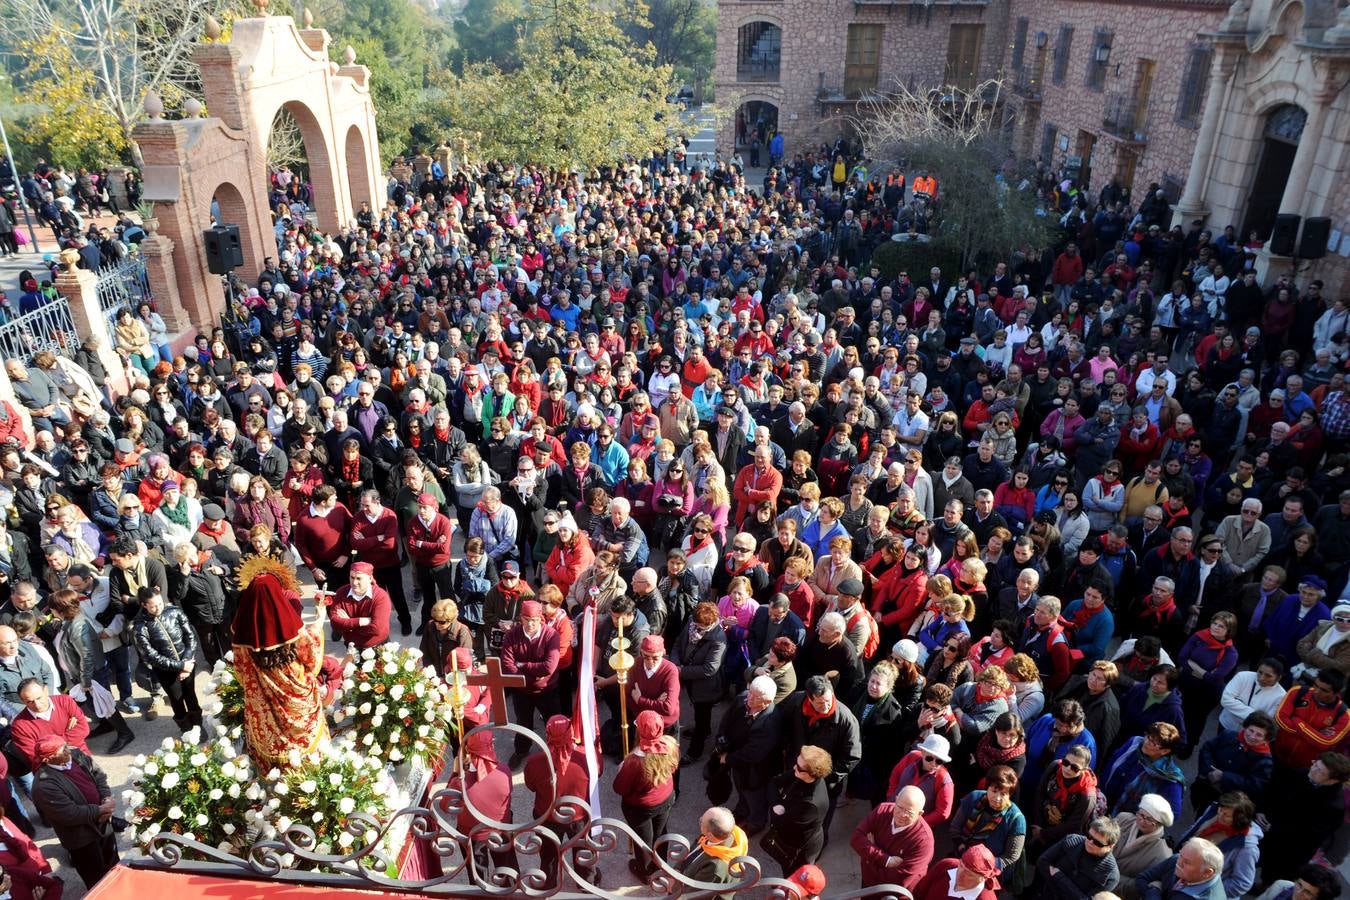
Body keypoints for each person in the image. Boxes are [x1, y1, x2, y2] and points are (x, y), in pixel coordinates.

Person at [230, 557, 327, 768]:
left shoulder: (243, 637)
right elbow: (311, 656)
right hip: (297, 702)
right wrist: (319, 621)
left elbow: (240, 672)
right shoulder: (291, 627)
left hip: (263, 705)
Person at [781, 675, 861, 843]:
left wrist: (827, 780)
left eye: (828, 700)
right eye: (819, 703)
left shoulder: (846, 720)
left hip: (824, 782)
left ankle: (818, 843)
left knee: (820, 818)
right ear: (809, 699)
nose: (825, 706)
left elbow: (852, 756)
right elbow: (784, 728)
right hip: (798, 770)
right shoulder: (796, 703)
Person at [30, 736, 118, 889]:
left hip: (103, 822)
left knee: (114, 863)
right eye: (62, 749)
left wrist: (106, 797)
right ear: (49, 758)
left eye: (65, 745)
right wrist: (100, 810)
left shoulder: (76, 754)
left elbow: (98, 775)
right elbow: (71, 814)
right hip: (81, 838)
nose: (68, 749)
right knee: (95, 877)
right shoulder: (43, 786)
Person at [522, 715, 594, 887]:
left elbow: (531, 786)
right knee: (583, 849)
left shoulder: (535, 762)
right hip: (578, 815)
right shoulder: (587, 756)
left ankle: (549, 883)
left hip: (547, 815)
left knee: (548, 853)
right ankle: (586, 881)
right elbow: (596, 775)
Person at [1259, 752, 1350, 885]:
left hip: (1290, 850)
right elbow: (1275, 791)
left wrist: (1276, 827)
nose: (1313, 770)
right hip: (1270, 834)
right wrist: (1262, 810)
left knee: (1274, 878)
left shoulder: (1333, 806)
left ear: (1333, 781)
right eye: (1315, 765)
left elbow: (1308, 835)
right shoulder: (1303, 773)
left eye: (1320, 771)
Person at [613, 709, 680, 879]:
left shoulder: (634, 761)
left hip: (640, 807)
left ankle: (644, 872)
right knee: (660, 833)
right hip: (666, 798)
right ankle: (661, 866)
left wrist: (622, 769)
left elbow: (620, 788)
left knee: (643, 841)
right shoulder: (671, 744)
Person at [130, 585, 202, 732]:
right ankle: (186, 729)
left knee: (191, 696)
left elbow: (190, 637)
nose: (158, 608)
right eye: (153, 606)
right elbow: (151, 656)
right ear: (144, 605)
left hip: (188, 662)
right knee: (177, 700)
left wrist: (187, 662)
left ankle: (198, 725)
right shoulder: (140, 627)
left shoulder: (175, 612)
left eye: (160, 603)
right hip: (166, 671)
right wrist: (180, 666)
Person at [501, 599, 561, 768]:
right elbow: (507, 664)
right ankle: (521, 750)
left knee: (553, 721)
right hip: (522, 690)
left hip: (547, 689)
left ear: (540, 618)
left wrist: (523, 665)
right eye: (526, 620)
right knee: (523, 721)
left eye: (534, 620)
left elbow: (549, 667)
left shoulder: (551, 635)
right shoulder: (512, 635)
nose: (530, 624)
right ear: (521, 618)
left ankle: (556, 752)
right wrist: (529, 678)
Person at [1176, 791, 1262, 899]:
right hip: (1183, 875)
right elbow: (1193, 829)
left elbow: (1242, 884)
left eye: (1226, 815)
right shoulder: (1213, 812)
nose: (1220, 815)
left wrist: (1207, 889)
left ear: (1239, 819)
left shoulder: (1247, 848)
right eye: (1221, 810)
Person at [851, 783, 935, 890]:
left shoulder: (924, 841)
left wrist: (869, 857)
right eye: (899, 807)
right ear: (895, 800)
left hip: (895, 894)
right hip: (868, 885)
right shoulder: (882, 810)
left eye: (909, 812)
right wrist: (886, 860)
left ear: (920, 814)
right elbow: (856, 838)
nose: (902, 815)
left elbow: (899, 881)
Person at [763, 744, 832, 874]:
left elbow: (780, 822)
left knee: (793, 874)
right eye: (796, 762)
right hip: (792, 833)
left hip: (800, 848)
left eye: (799, 767)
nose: (795, 767)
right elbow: (774, 782)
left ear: (811, 774)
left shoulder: (811, 804)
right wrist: (777, 804)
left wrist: (776, 810)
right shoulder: (801, 773)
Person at [673, 601, 727, 762]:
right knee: (699, 712)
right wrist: (676, 663)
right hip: (689, 679)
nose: (696, 628)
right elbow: (678, 644)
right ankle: (705, 730)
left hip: (705, 687)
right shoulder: (692, 622)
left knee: (702, 714)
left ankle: (694, 752)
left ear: (710, 623)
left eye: (700, 626)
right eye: (695, 623)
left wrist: (680, 670)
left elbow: (710, 669)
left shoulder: (718, 638)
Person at [1192, 711, 1274, 812]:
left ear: (1266, 740)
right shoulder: (1228, 735)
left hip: (1226, 800)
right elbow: (1207, 749)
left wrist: (1224, 776)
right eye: (1251, 730)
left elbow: (1254, 785)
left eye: (1259, 735)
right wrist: (1208, 770)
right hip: (1204, 786)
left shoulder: (1265, 761)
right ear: (1245, 727)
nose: (1252, 736)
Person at [950, 764, 1026, 871]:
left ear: (1010, 795)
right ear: (987, 787)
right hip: (960, 856)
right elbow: (955, 828)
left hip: (990, 870)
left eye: (1003, 794)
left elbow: (1011, 856)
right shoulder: (973, 798)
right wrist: (961, 847)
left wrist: (983, 865)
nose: (997, 798)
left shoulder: (1016, 819)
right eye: (994, 791)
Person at [1103, 722, 1186, 819]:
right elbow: (1112, 763)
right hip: (1103, 802)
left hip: (1124, 822)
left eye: (1154, 743)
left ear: (1165, 751)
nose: (1147, 742)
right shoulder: (1134, 743)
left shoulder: (1169, 778)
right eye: (1148, 736)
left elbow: (1173, 814)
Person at [1035, 817, 1122, 900]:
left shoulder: (1111, 875)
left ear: (1110, 846)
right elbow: (1042, 861)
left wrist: (1058, 877)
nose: (1090, 842)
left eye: (1097, 842)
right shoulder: (1071, 840)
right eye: (1089, 836)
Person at [1112, 795, 1177, 900]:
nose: (1142, 821)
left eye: (1149, 819)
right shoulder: (1123, 819)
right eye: (1141, 815)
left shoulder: (1162, 854)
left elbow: (1141, 886)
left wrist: (1107, 875)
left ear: (1159, 824)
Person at [680, 806, 748, 900]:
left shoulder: (715, 867)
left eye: (701, 821)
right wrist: (678, 867)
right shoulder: (725, 832)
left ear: (710, 835)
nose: (700, 820)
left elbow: (695, 894)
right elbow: (694, 849)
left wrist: (673, 886)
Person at [1136, 838, 1227, 900]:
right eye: (1181, 855)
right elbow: (1142, 878)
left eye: (1187, 862)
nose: (1178, 862)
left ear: (1207, 872)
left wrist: (1154, 890)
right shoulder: (1176, 859)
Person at [329, 561, 391, 649]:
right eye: (352, 577)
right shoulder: (341, 592)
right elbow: (334, 623)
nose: (354, 582)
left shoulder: (381, 597)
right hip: (352, 647)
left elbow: (377, 629)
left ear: (370, 579)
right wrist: (360, 621)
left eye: (359, 578)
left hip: (378, 647)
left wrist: (348, 625)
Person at [910, 844, 1002, 900]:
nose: (960, 874)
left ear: (984, 878)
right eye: (961, 866)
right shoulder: (946, 865)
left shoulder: (985, 898)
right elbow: (919, 892)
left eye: (969, 874)